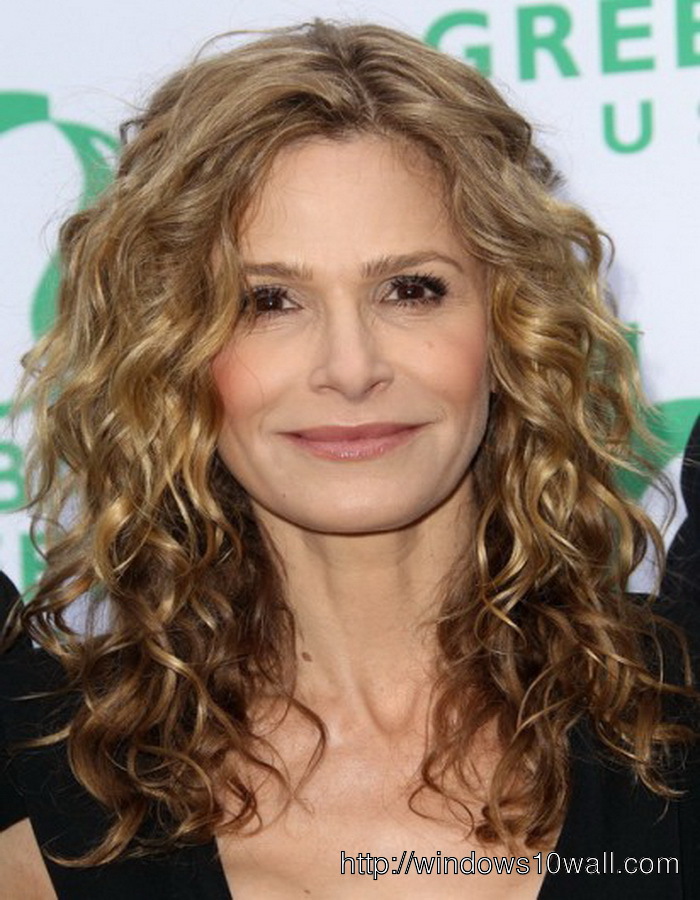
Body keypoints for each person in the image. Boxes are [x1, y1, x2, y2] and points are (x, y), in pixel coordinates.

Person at [0, 20, 698, 900]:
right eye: (267, 301)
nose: (351, 367)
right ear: (171, 351)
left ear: (511, 325)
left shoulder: (679, 712)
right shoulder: (51, 792)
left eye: (411, 289)